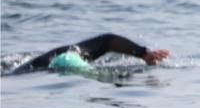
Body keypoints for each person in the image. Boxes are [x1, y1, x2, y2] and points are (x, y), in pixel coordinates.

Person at [7, 33, 169, 75]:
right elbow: (107, 40)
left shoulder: (17, 73)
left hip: (63, 62)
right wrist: (142, 53)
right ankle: (147, 55)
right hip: (64, 58)